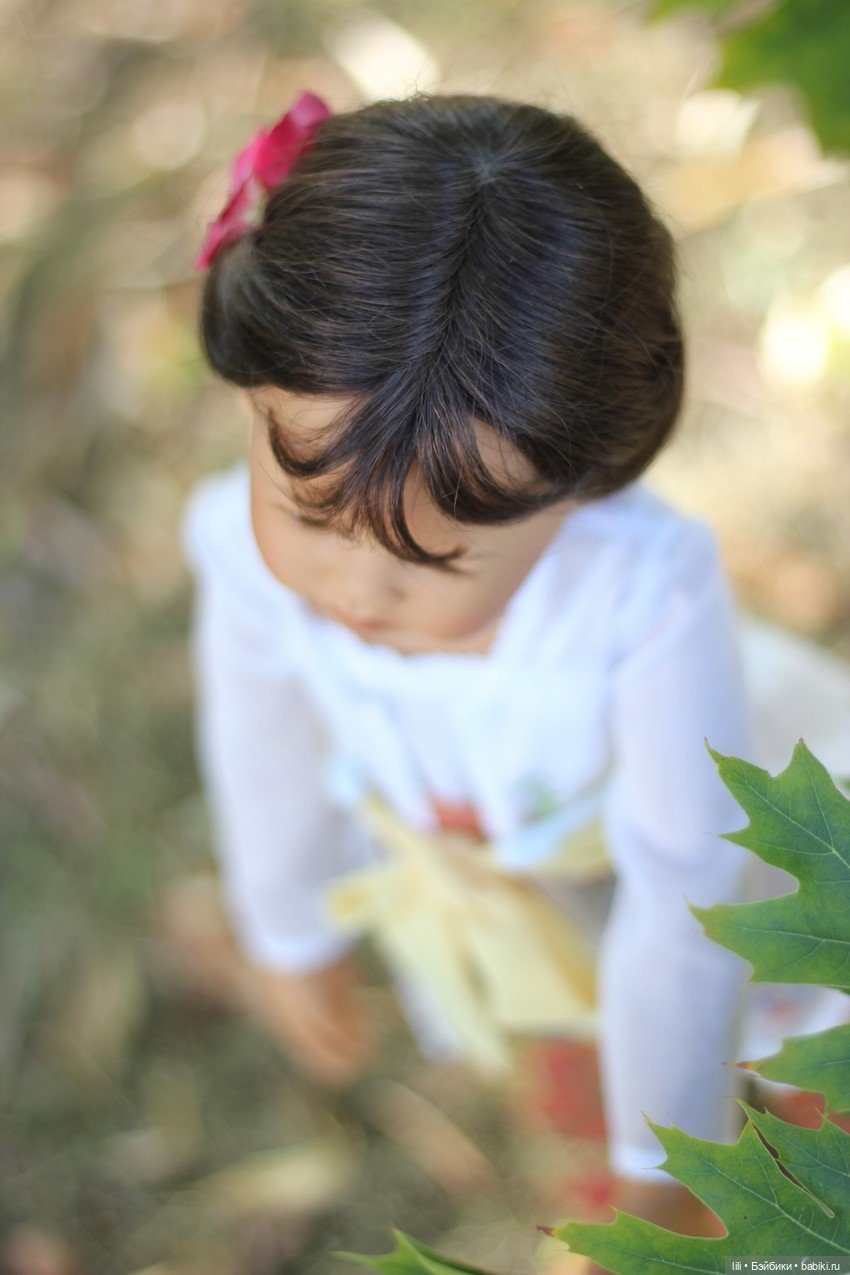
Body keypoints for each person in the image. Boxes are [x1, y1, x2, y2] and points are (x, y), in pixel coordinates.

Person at [180, 90, 850, 1253]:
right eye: (308, 515)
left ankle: (764, 1145)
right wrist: (288, 932)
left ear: (582, 482)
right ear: (250, 396)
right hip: (519, 877)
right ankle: (604, 1132)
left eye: (434, 556)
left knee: (779, 1045)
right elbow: (262, 744)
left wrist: (670, 1156)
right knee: (563, 1035)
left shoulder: (644, 592)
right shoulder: (238, 554)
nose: (358, 592)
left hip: (722, 880)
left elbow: (688, 886)